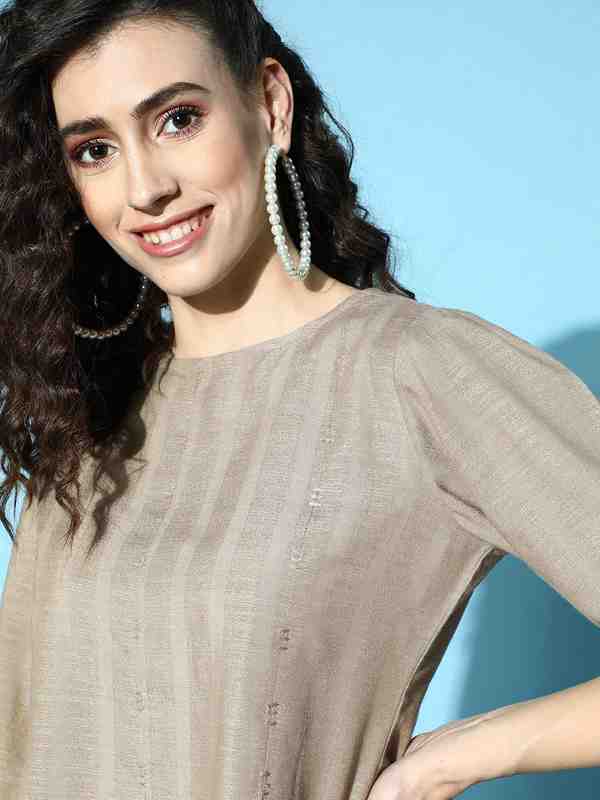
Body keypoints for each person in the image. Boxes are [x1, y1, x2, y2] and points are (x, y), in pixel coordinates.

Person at [0, 2, 599, 799]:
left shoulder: (412, 373)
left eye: (178, 120)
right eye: (95, 149)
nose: (145, 188)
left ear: (270, 104)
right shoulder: (92, 410)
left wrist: (465, 752)